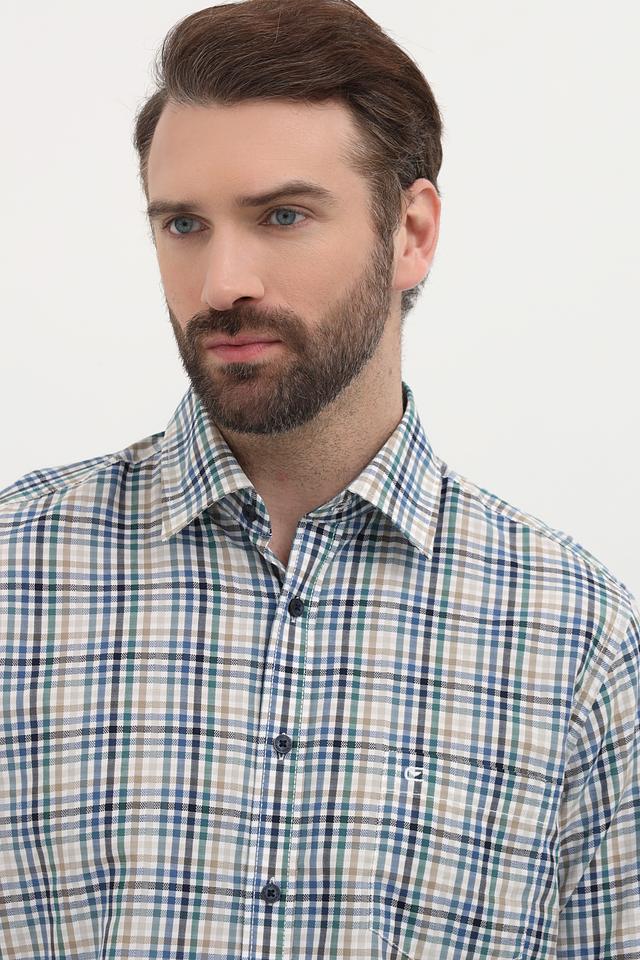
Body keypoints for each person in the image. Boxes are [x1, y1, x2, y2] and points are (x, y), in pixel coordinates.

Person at [1, 0, 638, 957]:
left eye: (283, 216)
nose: (222, 282)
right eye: (184, 224)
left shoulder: (578, 640)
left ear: (410, 231)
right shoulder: (14, 577)